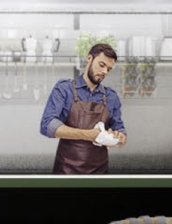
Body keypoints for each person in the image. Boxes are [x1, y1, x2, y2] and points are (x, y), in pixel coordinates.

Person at [41, 42, 126, 175]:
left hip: (99, 173)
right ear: (89, 59)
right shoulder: (64, 89)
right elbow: (48, 125)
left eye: (109, 69)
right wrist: (88, 135)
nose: (104, 72)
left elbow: (119, 129)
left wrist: (119, 136)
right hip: (66, 172)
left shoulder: (111, 97)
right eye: (102, 65)